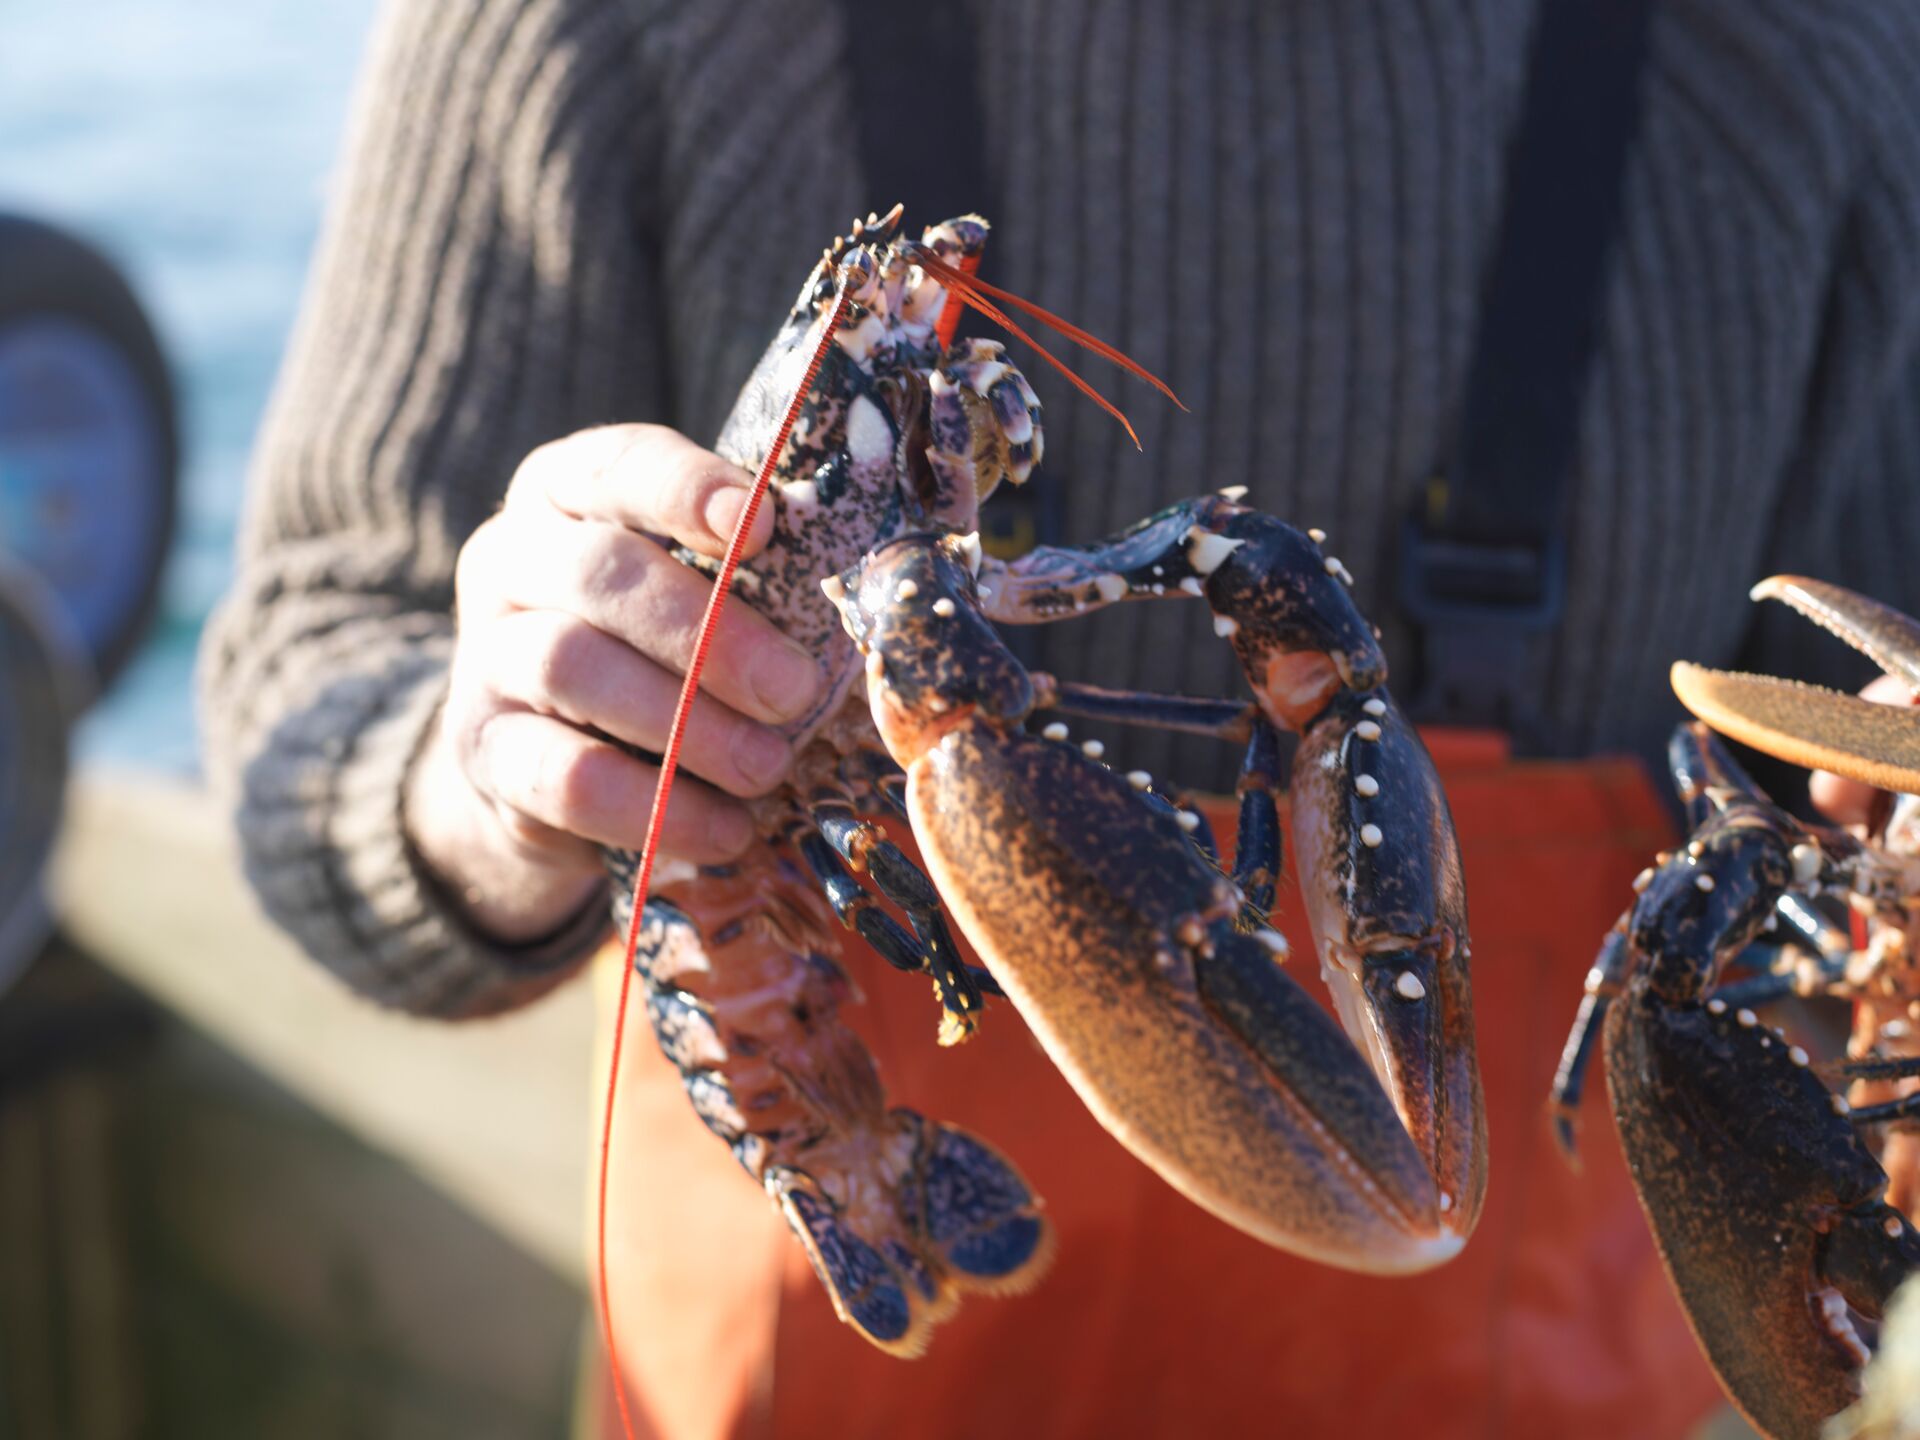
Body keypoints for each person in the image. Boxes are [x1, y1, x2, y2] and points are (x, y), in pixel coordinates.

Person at [200, 0, 1920, 1435]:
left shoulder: (1826, 55)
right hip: (832, 1292)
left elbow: (1858, 726)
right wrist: (487, 777)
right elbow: (311, 674)